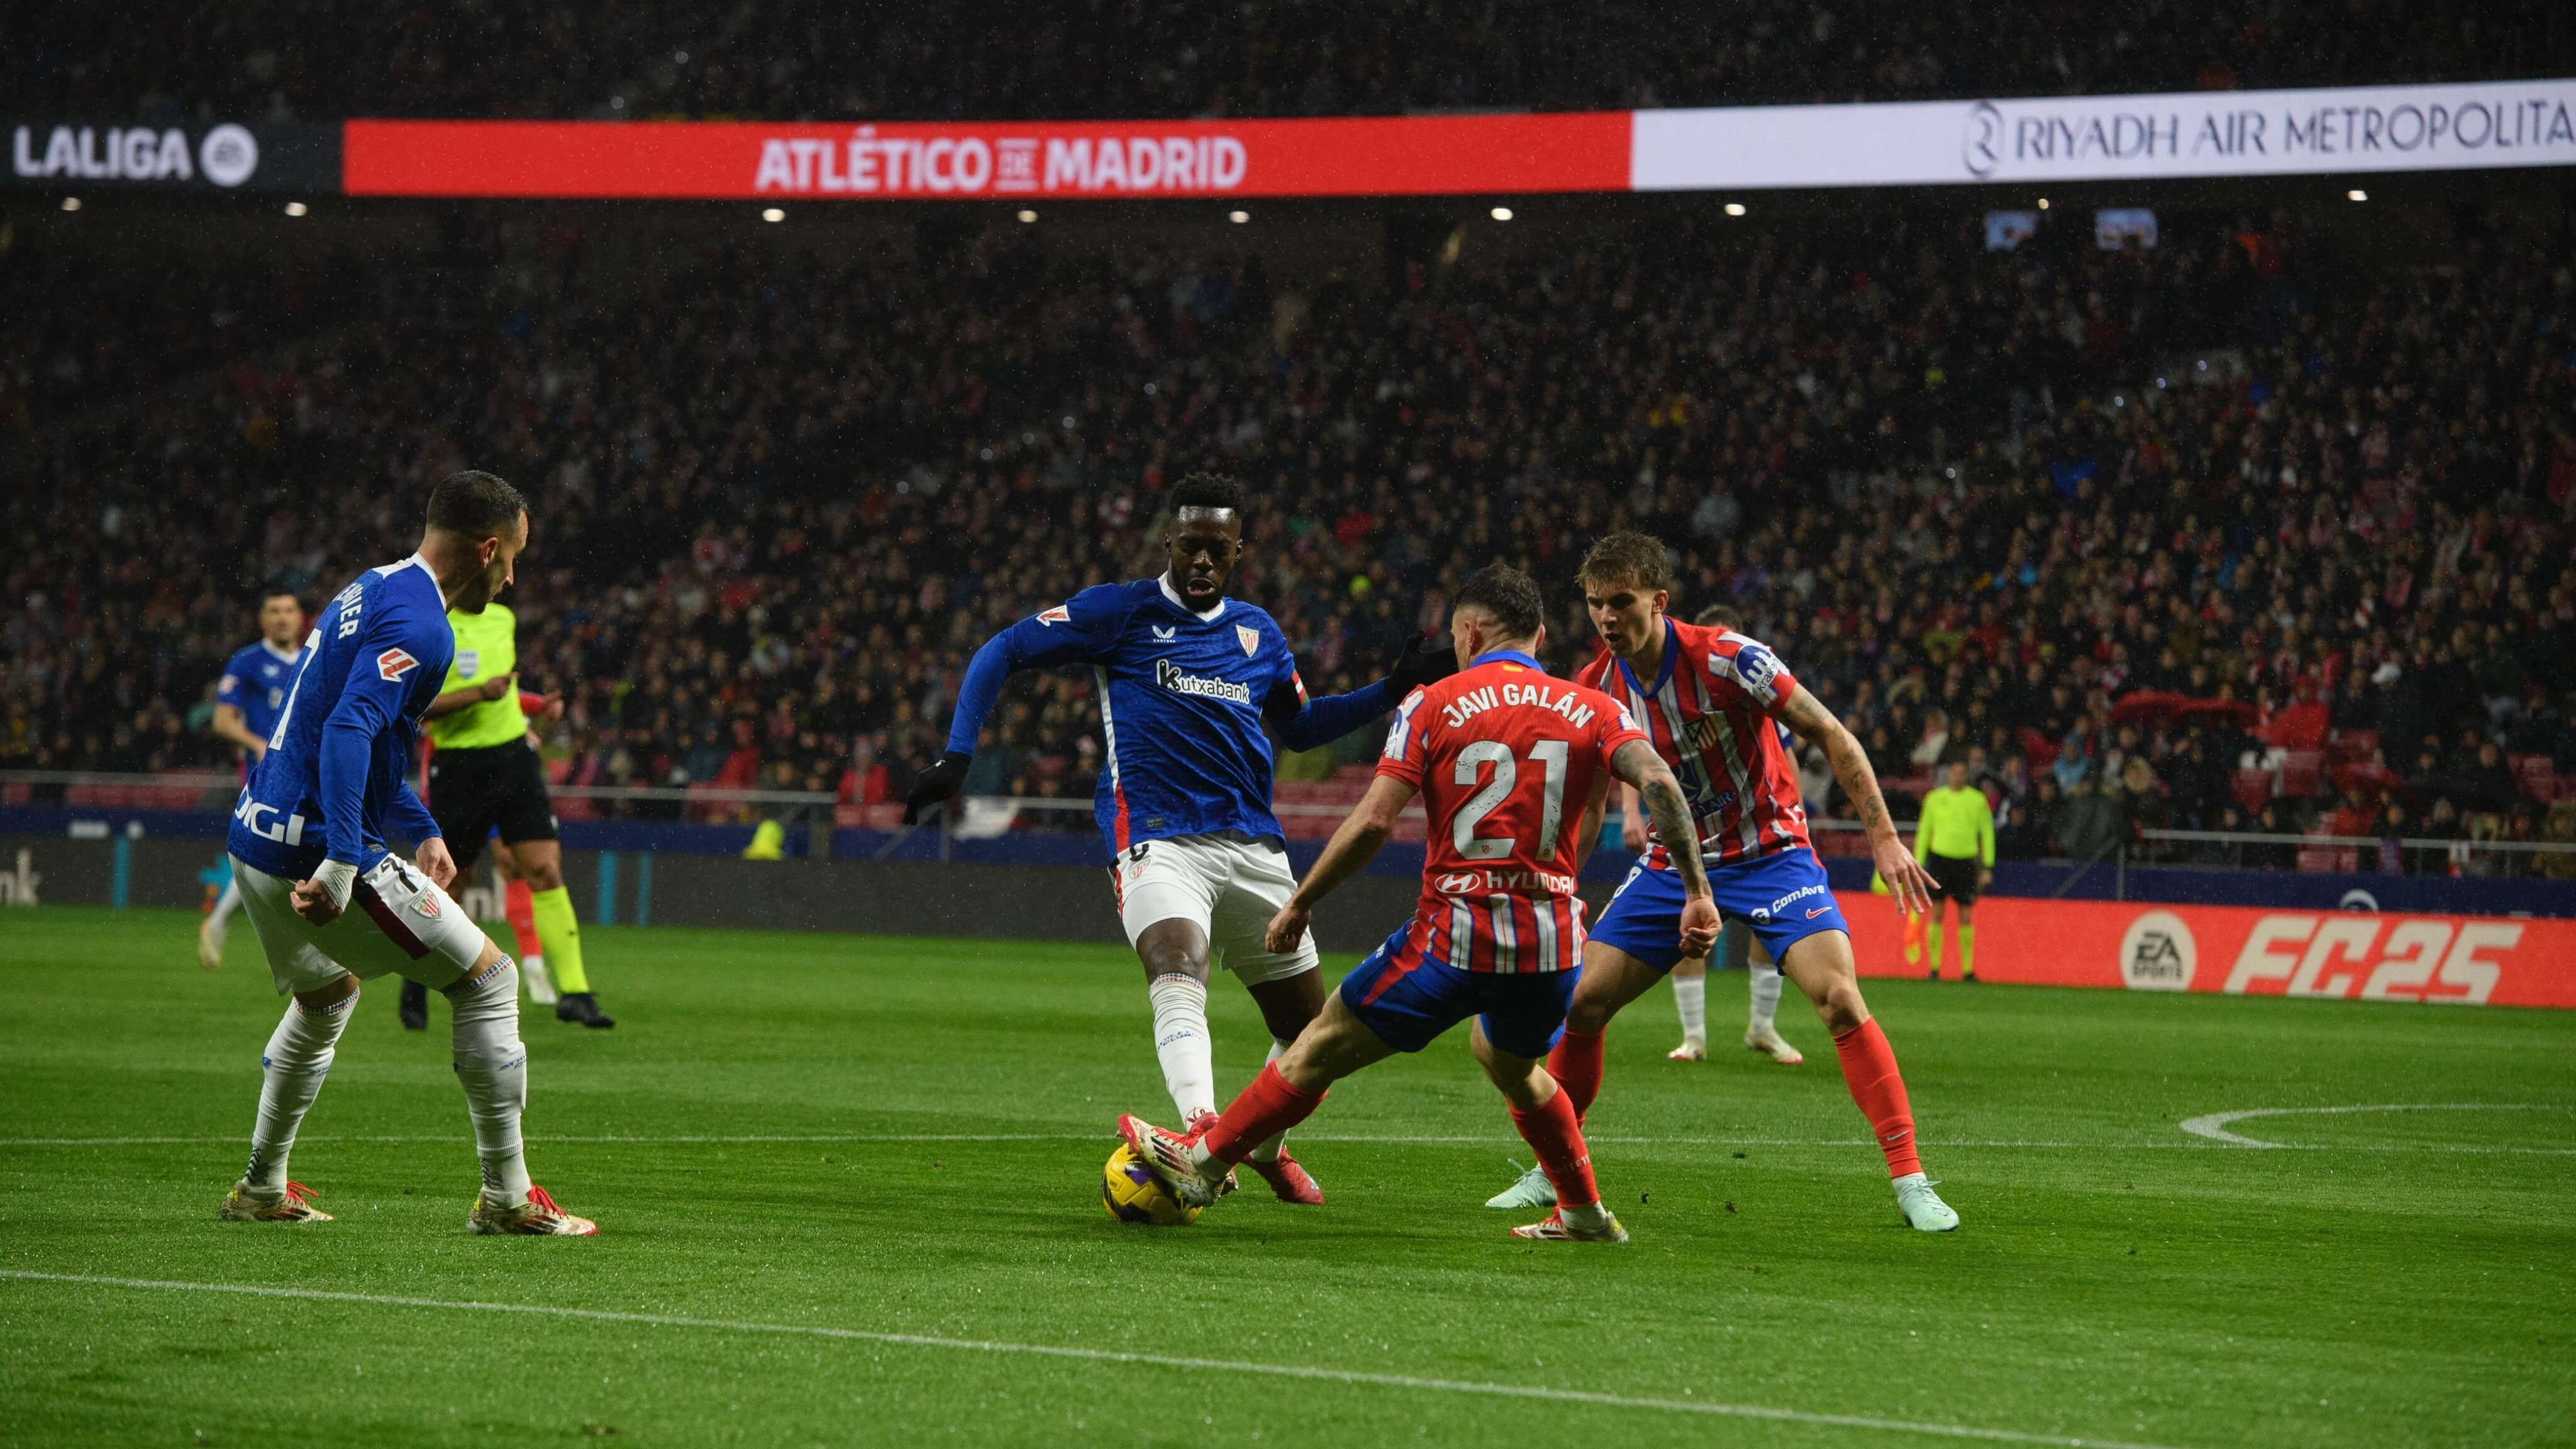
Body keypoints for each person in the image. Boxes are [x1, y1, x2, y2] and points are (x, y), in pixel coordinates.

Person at [1117, 562, 1716, 1242]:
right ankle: (1582, 1210)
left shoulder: (1431, 704)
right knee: (1514, 1066)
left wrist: (1302, 901)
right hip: (1551, 944)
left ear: (1467, 631)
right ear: (1539, 634)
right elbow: (1661, 785)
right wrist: (1697, 891)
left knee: (1319, 1042)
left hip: (1454, 937)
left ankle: (1203, 1160)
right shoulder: (1598, 709)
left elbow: (1374, 823)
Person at [906, 470, 1452, 1205]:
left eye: (1216, 551)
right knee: (1176, 961)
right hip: (1155, 835)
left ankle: (1259, 1146)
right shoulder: (1121, 612)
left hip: (1253, 845)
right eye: (1189, 547)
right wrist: (958, 754)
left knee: (1314, 1034)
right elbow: (1003, 648)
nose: (1201, 562)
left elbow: (1299, 724)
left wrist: (1389, 690)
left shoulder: (1258, 632)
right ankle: (1202, 1133)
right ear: (1168, 543)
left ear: (1237, 553)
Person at [1484, 531, 1958, 1231]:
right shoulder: (1594, 688)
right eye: (1594, 605)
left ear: (1659, 600)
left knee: (1838, 1001)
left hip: (1771, 852)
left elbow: (1831, 733)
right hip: (1676, 865)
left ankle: (1911, 1179)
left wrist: (1884, 838)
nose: (1607, 618)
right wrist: (1561, 883)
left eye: (1622, 603)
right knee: (1582, 1003)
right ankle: (1550, 1168)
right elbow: (1585, 808)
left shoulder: (1728, 657)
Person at [218, 469, 594, 1234]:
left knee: (326, 996)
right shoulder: (426, 629)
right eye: (513, 557)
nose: (513, 574)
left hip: (254, 831)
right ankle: (508, 1199)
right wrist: (341, 860)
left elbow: (369, 734)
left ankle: (262, 1187)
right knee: (489, 980)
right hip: (314, 849)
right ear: (488, 548)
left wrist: (421, 825)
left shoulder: (374, 585)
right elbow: (350, 728)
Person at [397, 591, 612, 1031]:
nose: (505, 577)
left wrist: (537, 707)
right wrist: (477, 693)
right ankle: (415, 980)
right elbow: (412, 705)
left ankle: (575, 991)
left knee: (544, 870)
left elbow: (506, 691)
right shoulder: (429, 626)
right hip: (458, 766)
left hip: (514, 759)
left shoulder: (504, 619)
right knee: (451, 883)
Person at [1658, 603, 1801, 1065]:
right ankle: (1694, 1036)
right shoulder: (1674, 697)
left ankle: (1762, 1027)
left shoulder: (1762, 690)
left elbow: (1785, 754)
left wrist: (1795, 815)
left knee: (1769, 924)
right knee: (1691, 925)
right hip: (1695, 836)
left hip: (1758, 835)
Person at [197, 587, 307, 971]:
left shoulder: (311, 659)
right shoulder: (247, 661)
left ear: (300, 618)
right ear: (262, 619)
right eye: (274, 611)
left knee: (277, 856)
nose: (282, 617)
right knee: (269, 853)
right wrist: (258, 744)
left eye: (289, 610)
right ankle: (227, 924)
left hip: (306, 771)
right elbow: (222, 721)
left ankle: (222, 922)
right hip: (264, 774)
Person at [1913, 758, 1995, 982]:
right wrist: (1919, 864)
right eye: (1954, 772)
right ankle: (1934, 968)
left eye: (1961, 772)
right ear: (1948, 774)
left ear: (1966, 776)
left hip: (1967, 861)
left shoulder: (1977, 800)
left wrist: (1987, 865)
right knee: (1937, 912)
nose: (1957, 776)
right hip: (1940, 860)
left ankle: (1968, 970)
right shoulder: (1934, 798)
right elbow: (1924, 832)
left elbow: (1986, 833)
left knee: (1966, 914)